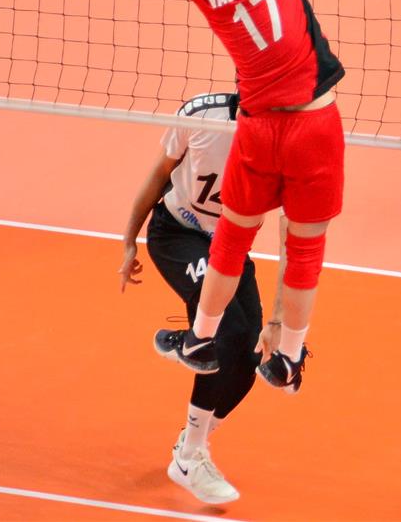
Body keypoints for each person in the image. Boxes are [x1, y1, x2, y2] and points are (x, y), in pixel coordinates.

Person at [141, 0, 345, 392]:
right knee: (304, 247)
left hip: (256, 129)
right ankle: (288, 357)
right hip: (313, 127)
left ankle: (199, 337)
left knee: (232, 237)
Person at [119, 91, 267, 505]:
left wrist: (283, 323)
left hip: (230, 244)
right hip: (177, 235)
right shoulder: (201, 116)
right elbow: (159, 174)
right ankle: (190, 457)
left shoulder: (284, 138)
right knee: (226, 333)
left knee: (249, 357)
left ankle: (192, 441)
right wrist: (129, 241)